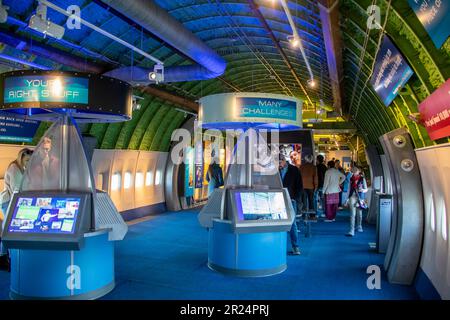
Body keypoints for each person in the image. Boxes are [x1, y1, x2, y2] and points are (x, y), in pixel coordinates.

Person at [0, 148, 33, 271]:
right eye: (27, 160)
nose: (29, 162)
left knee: (9, 229)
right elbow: (16, 190)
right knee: (8, 230)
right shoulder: (15, 169)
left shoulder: (21, 168)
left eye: (30, 160)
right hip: (9, 202)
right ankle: (3, 257)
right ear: (21, 158)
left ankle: (5, 256)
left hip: (12, 201)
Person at [279, 154, 303, 255]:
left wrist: (295, 198)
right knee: (277, 223)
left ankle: (295, 246)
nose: (278, 165)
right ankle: (278, 246)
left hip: (290, 199)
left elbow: (299, 185)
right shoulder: (274, 170)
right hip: (277, 199)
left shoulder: (294, 170)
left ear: (284, 161)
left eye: (279, 163)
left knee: (292, 223)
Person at [346, 166, 368, 237]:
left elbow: (366, 189)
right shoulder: (351, 179)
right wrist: (347, 199)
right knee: (352, 214)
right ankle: (351, 230)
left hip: (360, 197)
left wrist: (362, 190)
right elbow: (349, 189)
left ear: (358, 171)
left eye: (356, 171)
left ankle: (359, 226)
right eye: (353, 172)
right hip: (352, 196)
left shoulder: (362, 179)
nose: (354, 173)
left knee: (359, 213)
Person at [299, 154, 318, 219]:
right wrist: (315, 186)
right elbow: (315, 177)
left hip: (302, 186)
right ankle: (312, 215)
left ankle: (304, 215)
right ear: (311, 159)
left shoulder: (301, 167)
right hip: (311, 186)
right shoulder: (313, 167)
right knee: (311, 200)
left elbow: (299, 177)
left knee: (303, 200)